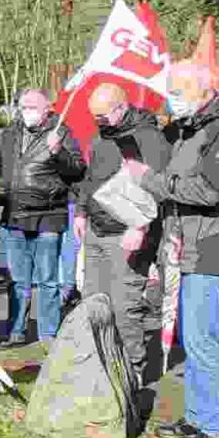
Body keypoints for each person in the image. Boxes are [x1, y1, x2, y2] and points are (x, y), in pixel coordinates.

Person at [125, 60, 219, 438]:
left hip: (214, 245)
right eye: (169, 92)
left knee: (202, 340)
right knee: (192, 338)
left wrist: (151, 181)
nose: (171, 100)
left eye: (178, 92)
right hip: (188, 245)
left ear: (205, 90)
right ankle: (198, 417)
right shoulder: (192, 129)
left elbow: (210, 190)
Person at [75, 83, 170, 388]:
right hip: (96, 229)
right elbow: (91, 178)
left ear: (120, 107)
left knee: (124, 305)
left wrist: (139, 227)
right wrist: (80, 210)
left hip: (128, 235)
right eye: (94, 117)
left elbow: (156, 188)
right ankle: (98, 362)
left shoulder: (149, 138)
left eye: (102, 116)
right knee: (93, 300)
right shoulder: (102, 137)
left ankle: (133, 369)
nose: (97, 122)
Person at [0, 88, 86, 347]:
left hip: (48, 215)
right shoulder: (9, 134)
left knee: (47, 280)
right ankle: (16, 330)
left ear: (47, 109)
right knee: (18, 280)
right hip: (14, 214)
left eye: (32, 107)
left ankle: (48, 333)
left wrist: (59, 153)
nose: (26, 111)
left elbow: (78, 170)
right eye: (23, 106)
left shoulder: (62, 133)